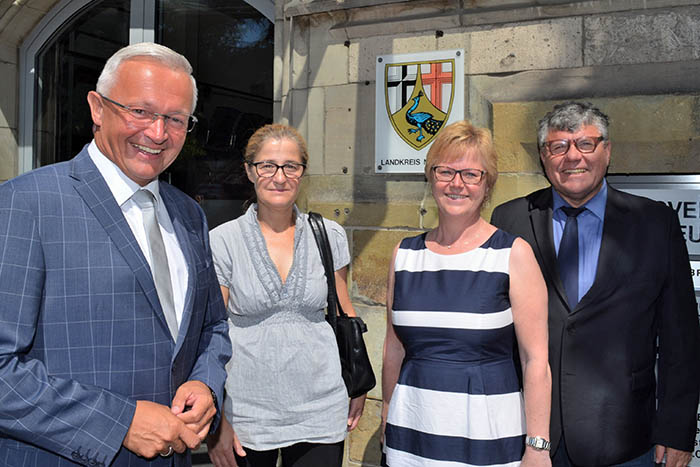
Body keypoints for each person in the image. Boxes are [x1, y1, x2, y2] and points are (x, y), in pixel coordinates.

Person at [0, 42, 231, 466]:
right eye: (140, 111)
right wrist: (118, 421)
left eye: (175, 119)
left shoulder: (189, 215)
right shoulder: (24, 205)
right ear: (97, 108)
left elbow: (213, 326)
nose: (158, 133)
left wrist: (206, 383)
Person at [491, 101, 700, 467]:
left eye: (586, 144)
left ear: (607, 150)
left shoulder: (654, 223)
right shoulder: (509, 219)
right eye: (559, 146)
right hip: (531, 436)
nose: (573, 157)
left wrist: (676, 429)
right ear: (544, 157)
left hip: (624, 438)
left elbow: (680, 336)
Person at [382, 120, 552, 467]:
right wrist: (387, 410)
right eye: (446, 171)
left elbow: (535, 360)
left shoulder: (512, 254)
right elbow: (394, 346)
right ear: (431, 176)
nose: (456, 183)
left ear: (487, 184)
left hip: (486, 435)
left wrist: (537, 446)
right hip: (411, 431)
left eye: (471, 174)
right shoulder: (404, 255)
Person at [205, 124, 366, 467]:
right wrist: (216, 420)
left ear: (302, 172)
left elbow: (344, 311)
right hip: (246, 413)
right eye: (267, 165)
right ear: (249, 170)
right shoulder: (222, 241)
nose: (279, 177)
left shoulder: (329, 235)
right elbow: (211, 333)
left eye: (290, 166)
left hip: (320, 408)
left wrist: (358, 383)